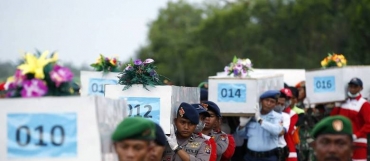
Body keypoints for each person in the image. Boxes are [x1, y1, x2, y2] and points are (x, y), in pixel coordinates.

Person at [237, 90, 284, 161]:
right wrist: (242, 125)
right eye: (266, 100)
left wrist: (259, 120)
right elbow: (242, 135)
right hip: (250, 157)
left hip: (268, 157)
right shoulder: (252, 116)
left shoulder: (277, 117)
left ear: (275, 104)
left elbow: (277, 131)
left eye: (272, 102)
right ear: (261, 101)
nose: (268, 103)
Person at [331, 77, 370, 161]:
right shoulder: (343, 102)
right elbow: (333, 119)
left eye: (355, 87)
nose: (352, 89)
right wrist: (337, 105)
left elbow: (368, 124)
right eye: (351, 86)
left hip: (359, 143)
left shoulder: (364, 104)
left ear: (361, 88)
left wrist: (356, 135)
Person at [280, 88, 298, 161]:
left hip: (288, 146)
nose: (285, 101)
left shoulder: (292, 114)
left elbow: (287, 130)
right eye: (284, 98)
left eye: (288, 98)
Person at [274, 93, 291, 161]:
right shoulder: (266, 115)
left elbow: (281, 132)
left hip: (279, 148)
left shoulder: (285, 116)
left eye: (282, 104)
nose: (280, 106)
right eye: (278, 103)